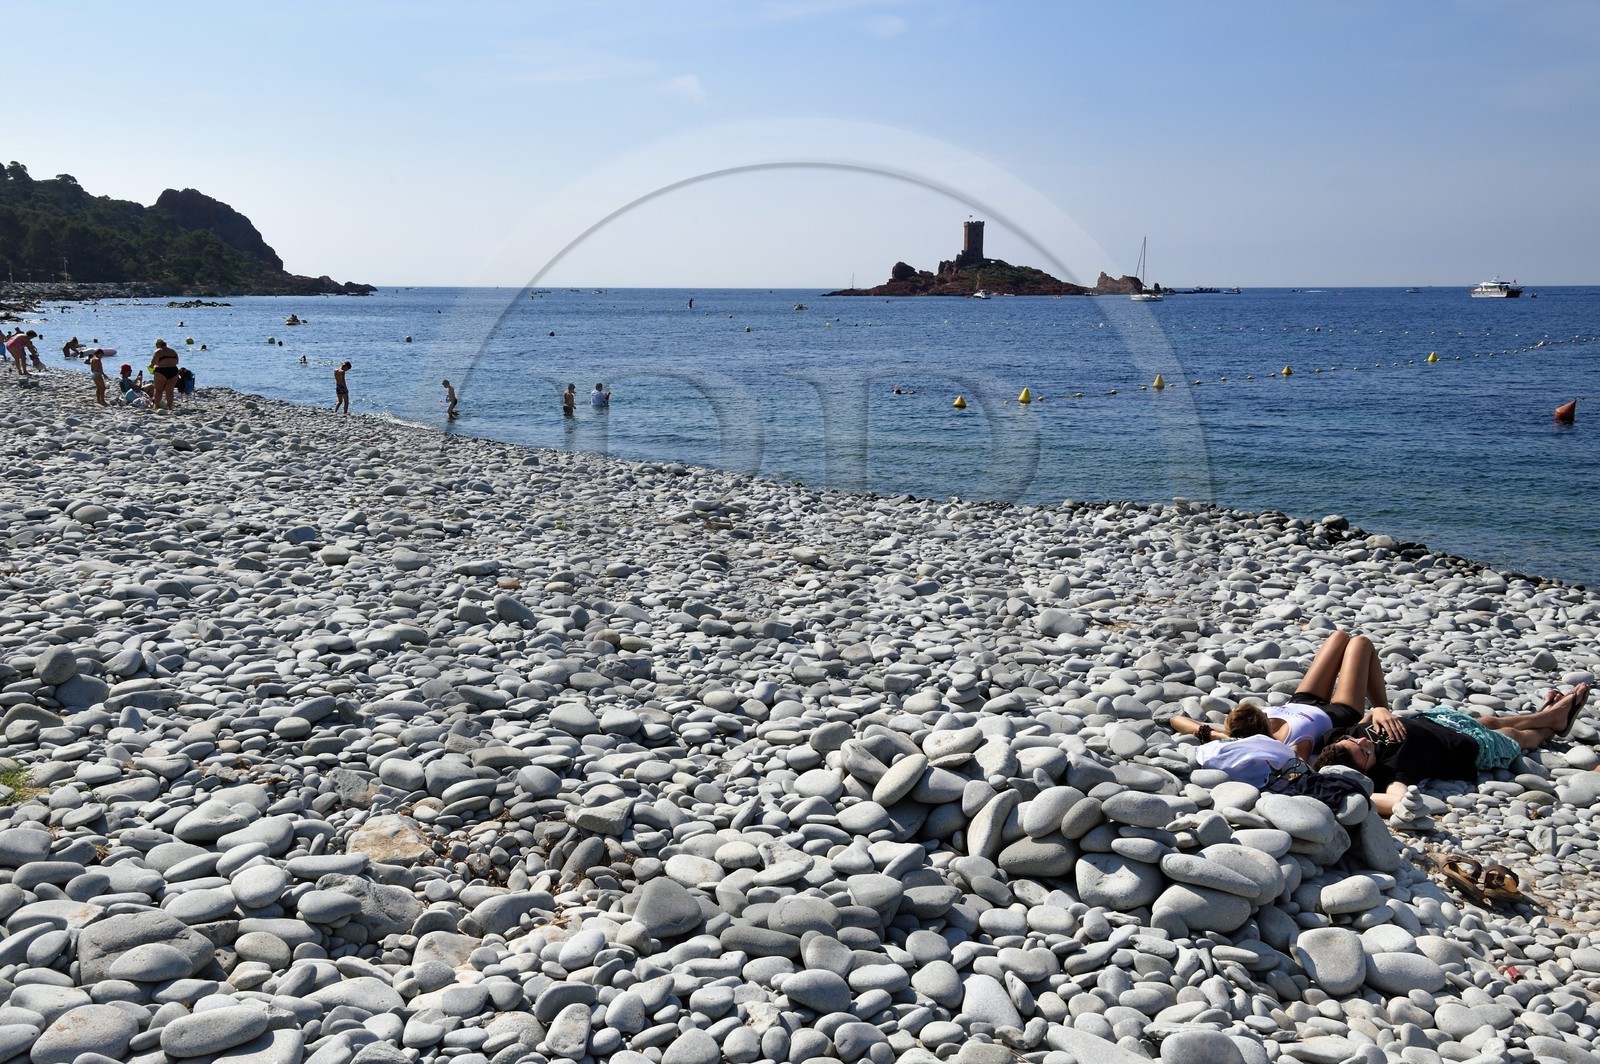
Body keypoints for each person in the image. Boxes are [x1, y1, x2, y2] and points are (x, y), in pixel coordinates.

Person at [1317, 683, 1591, 816]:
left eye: (1354, 741)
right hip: (1473, 748)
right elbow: (1398, 801)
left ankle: (1549, 715)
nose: (1364, 742)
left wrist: (1379, 711)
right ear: (1364, 773)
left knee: (1491, 720)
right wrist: (1349, 794)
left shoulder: (1339, 740)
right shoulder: (1390, 772)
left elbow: (1365, 718)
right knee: (1513, 736)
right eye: (1363, 752)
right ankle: (1551, 724)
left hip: (1441, 722)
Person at [1170, 630, 1402, 761]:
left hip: (1302, 700)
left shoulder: (1237, 731)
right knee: (1361, 643)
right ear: (1263, 723)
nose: (1265, 712)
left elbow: (1176, 720)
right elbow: (1301, 767)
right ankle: (1385, 711)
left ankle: (1384, 711)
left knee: (1339, 637)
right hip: (1339, 712)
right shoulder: (1292, 744)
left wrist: (1219, 735)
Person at [149, 339, 180, 412]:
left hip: (161, 371)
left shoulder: (158, 351)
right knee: (170, 391)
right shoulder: (173, 351)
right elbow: (177, 362)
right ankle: (170, 407)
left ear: (158, 345)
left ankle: (156, 407)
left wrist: (150, 368)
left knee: (158, 390)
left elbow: (153, 363)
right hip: (173, 371)